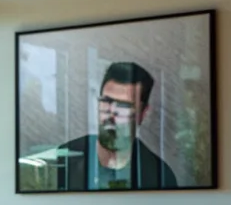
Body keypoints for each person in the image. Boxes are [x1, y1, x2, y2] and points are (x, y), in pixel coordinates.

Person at [50, 62, 180, 191]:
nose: (111, 115)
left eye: (123, 106)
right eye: (106, 102)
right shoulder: (65, 159)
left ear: (142, 113)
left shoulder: (159, 175)